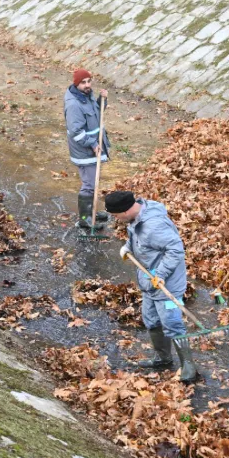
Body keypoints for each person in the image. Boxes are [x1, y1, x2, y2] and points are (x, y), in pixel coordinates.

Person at [105, 190, 198, 384]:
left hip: (168, 284)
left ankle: (188, 364)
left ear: (124, 211)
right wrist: (128, 247)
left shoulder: (154, 226)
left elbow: (176, 250)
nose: (116, 219)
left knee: (172, 323)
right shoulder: (136, 216)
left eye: (116, 216)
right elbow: (136, 237)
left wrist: (161, 274)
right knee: (152, 320)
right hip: (149, 281)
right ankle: (163, 358)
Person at [63, 69, 110, 230]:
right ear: (76, 84)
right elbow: (76, 132)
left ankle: (92, 212)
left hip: (93, 147)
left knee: (93, 182)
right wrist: (93, 144)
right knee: (89, 184)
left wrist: (102, 100)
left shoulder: (87, 96)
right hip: (85, 151)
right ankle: (85, 218)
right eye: (83, 82)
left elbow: (95, 114)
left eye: (89, 81)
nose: (87, 85)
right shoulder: (74, 104)